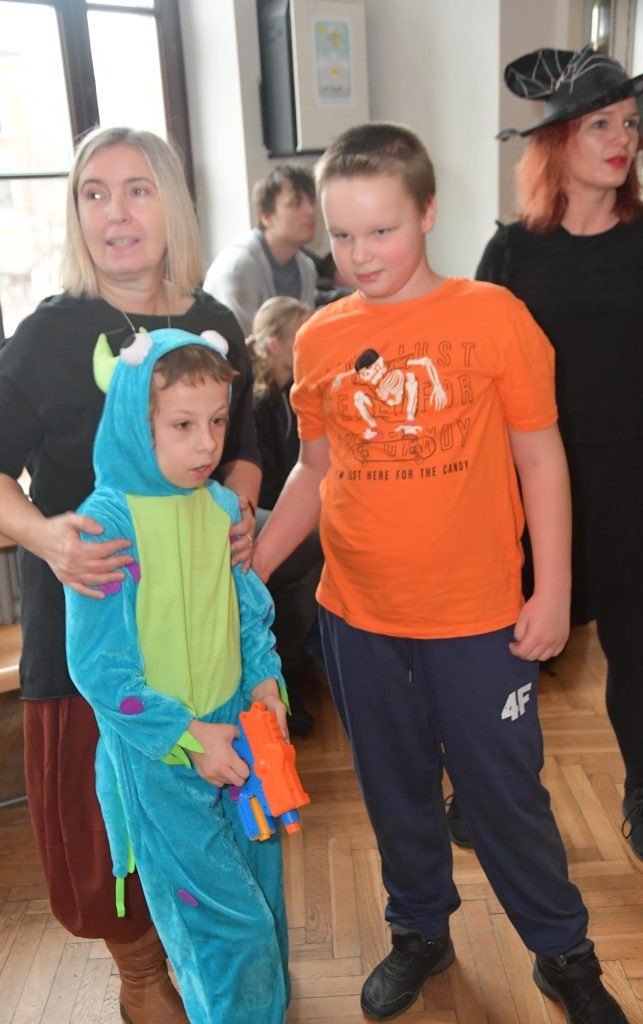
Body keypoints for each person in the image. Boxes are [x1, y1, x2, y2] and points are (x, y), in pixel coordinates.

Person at [253, 121, 628, 1024]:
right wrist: (252, 569)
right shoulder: (321, 339)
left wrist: (553, 591)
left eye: (381, 229)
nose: (359, 254)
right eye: (343, 234)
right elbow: (314, 470)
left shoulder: (492, 317)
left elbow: (541, 458)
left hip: (478, 620)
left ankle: (561, 950)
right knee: (394, 789)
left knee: (503, 794)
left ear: (426, 213)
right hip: (357, 618)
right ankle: (419, 929)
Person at [0, 126, 261, 1024]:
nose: (115, 213)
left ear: (172, 205)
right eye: (93, 193)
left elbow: (246, 447)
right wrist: (47, 538)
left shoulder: (215, 324)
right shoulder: (48, 335)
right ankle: (141, 980)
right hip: (93, 635)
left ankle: (222, 966)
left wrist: (241, 507)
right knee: (107, 838)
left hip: (204, 637)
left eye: (136, 189)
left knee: (214, 823)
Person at [447, 46, 643, 866]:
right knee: (509, 651)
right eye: (600, 124)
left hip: (632, 483)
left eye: (629, 123)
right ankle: (483, 791)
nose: (622, 139)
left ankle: (640, 798)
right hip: (530, 484)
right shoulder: (510, 254)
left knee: (637, 651)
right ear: (556, 141)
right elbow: (473, 376)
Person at [64, 327, 290, 1024]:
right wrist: (190, 736)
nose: (206, 445)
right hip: (161, 755)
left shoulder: (220, 507)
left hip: (239, 732)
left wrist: (265, 687)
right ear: (138, 424)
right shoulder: (106, 525)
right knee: (225, 929)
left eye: (217, 422)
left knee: (262, 901)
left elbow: (248, 615)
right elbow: (99, 669)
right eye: (183, 425)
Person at [248, 297, 323, 734]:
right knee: (313, 546)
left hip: (279, 506)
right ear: (275, 345)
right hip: (263, 510)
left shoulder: (289, 393)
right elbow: (271, 484)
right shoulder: (260, 404)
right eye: (301, 335)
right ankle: (288, 668)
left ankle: (302, 661)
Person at [203, 164, 317, 336]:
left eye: (312, 202)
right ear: (266, 216)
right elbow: (243, 344)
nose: (310, 211)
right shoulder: (240, 266)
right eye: (296, 203)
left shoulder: (306, 267)